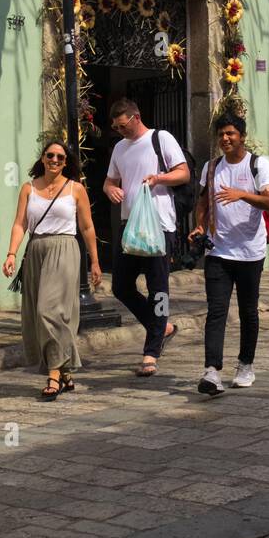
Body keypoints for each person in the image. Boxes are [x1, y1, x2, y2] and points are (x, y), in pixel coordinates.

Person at [3, 140, 102, 398]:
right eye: (50, 155)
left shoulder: (75, 189)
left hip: (65, 249)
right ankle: (66, 371)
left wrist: (94, 261)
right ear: (43, 158)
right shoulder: (29, 188)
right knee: (38, 316)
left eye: (60, 157)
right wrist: (11, 253)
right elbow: (19, 224)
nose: (55, 160)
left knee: (49, 310)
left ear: (66, 162)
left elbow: (87, 227)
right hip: (36, 251)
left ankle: (54, 374)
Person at [190, 113, 269, 396]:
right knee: (216, 311)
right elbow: (202, 201)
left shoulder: (259, 164)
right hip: (219, 250)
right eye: (221, 135)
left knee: (248, 311)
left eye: (230, 134)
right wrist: (200, 225)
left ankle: (245, 364)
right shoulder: (212, 167)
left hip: (251, 252)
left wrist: (242, 194)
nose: (225, 139)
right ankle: (212, 372)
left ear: (242, 136)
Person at [104, 99, 190, 376]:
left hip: (159, 225)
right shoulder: (119, 148)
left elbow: (184, 173)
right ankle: (161, 327)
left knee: (159, 289)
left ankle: (151, 352)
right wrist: (110, 190)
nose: (120, 131)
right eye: (116, 127)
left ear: (136, 117)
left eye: (123, 125)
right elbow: (110, 181)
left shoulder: (160, 138)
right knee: (121, 286)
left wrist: (158, 179)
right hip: (131, 226)